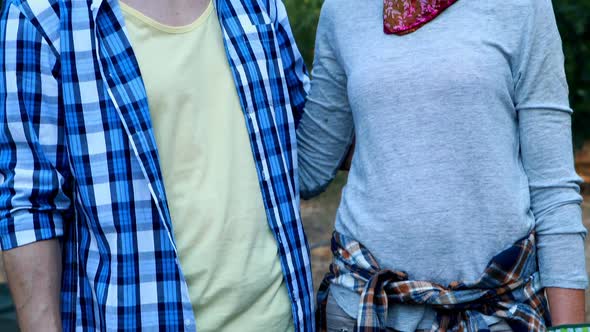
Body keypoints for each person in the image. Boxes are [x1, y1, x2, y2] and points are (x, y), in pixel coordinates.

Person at [0, 0, 314, 330]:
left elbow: (309, 133)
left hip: (280, 320)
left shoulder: (257, 4)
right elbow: (29, 207)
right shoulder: (41, 14)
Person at [297, 0, 587, 331]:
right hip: (363, 309)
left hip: (495, 312)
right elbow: (309, 168)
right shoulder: (342, 10)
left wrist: (571, 327)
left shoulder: (523, 6)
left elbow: (553, 188)